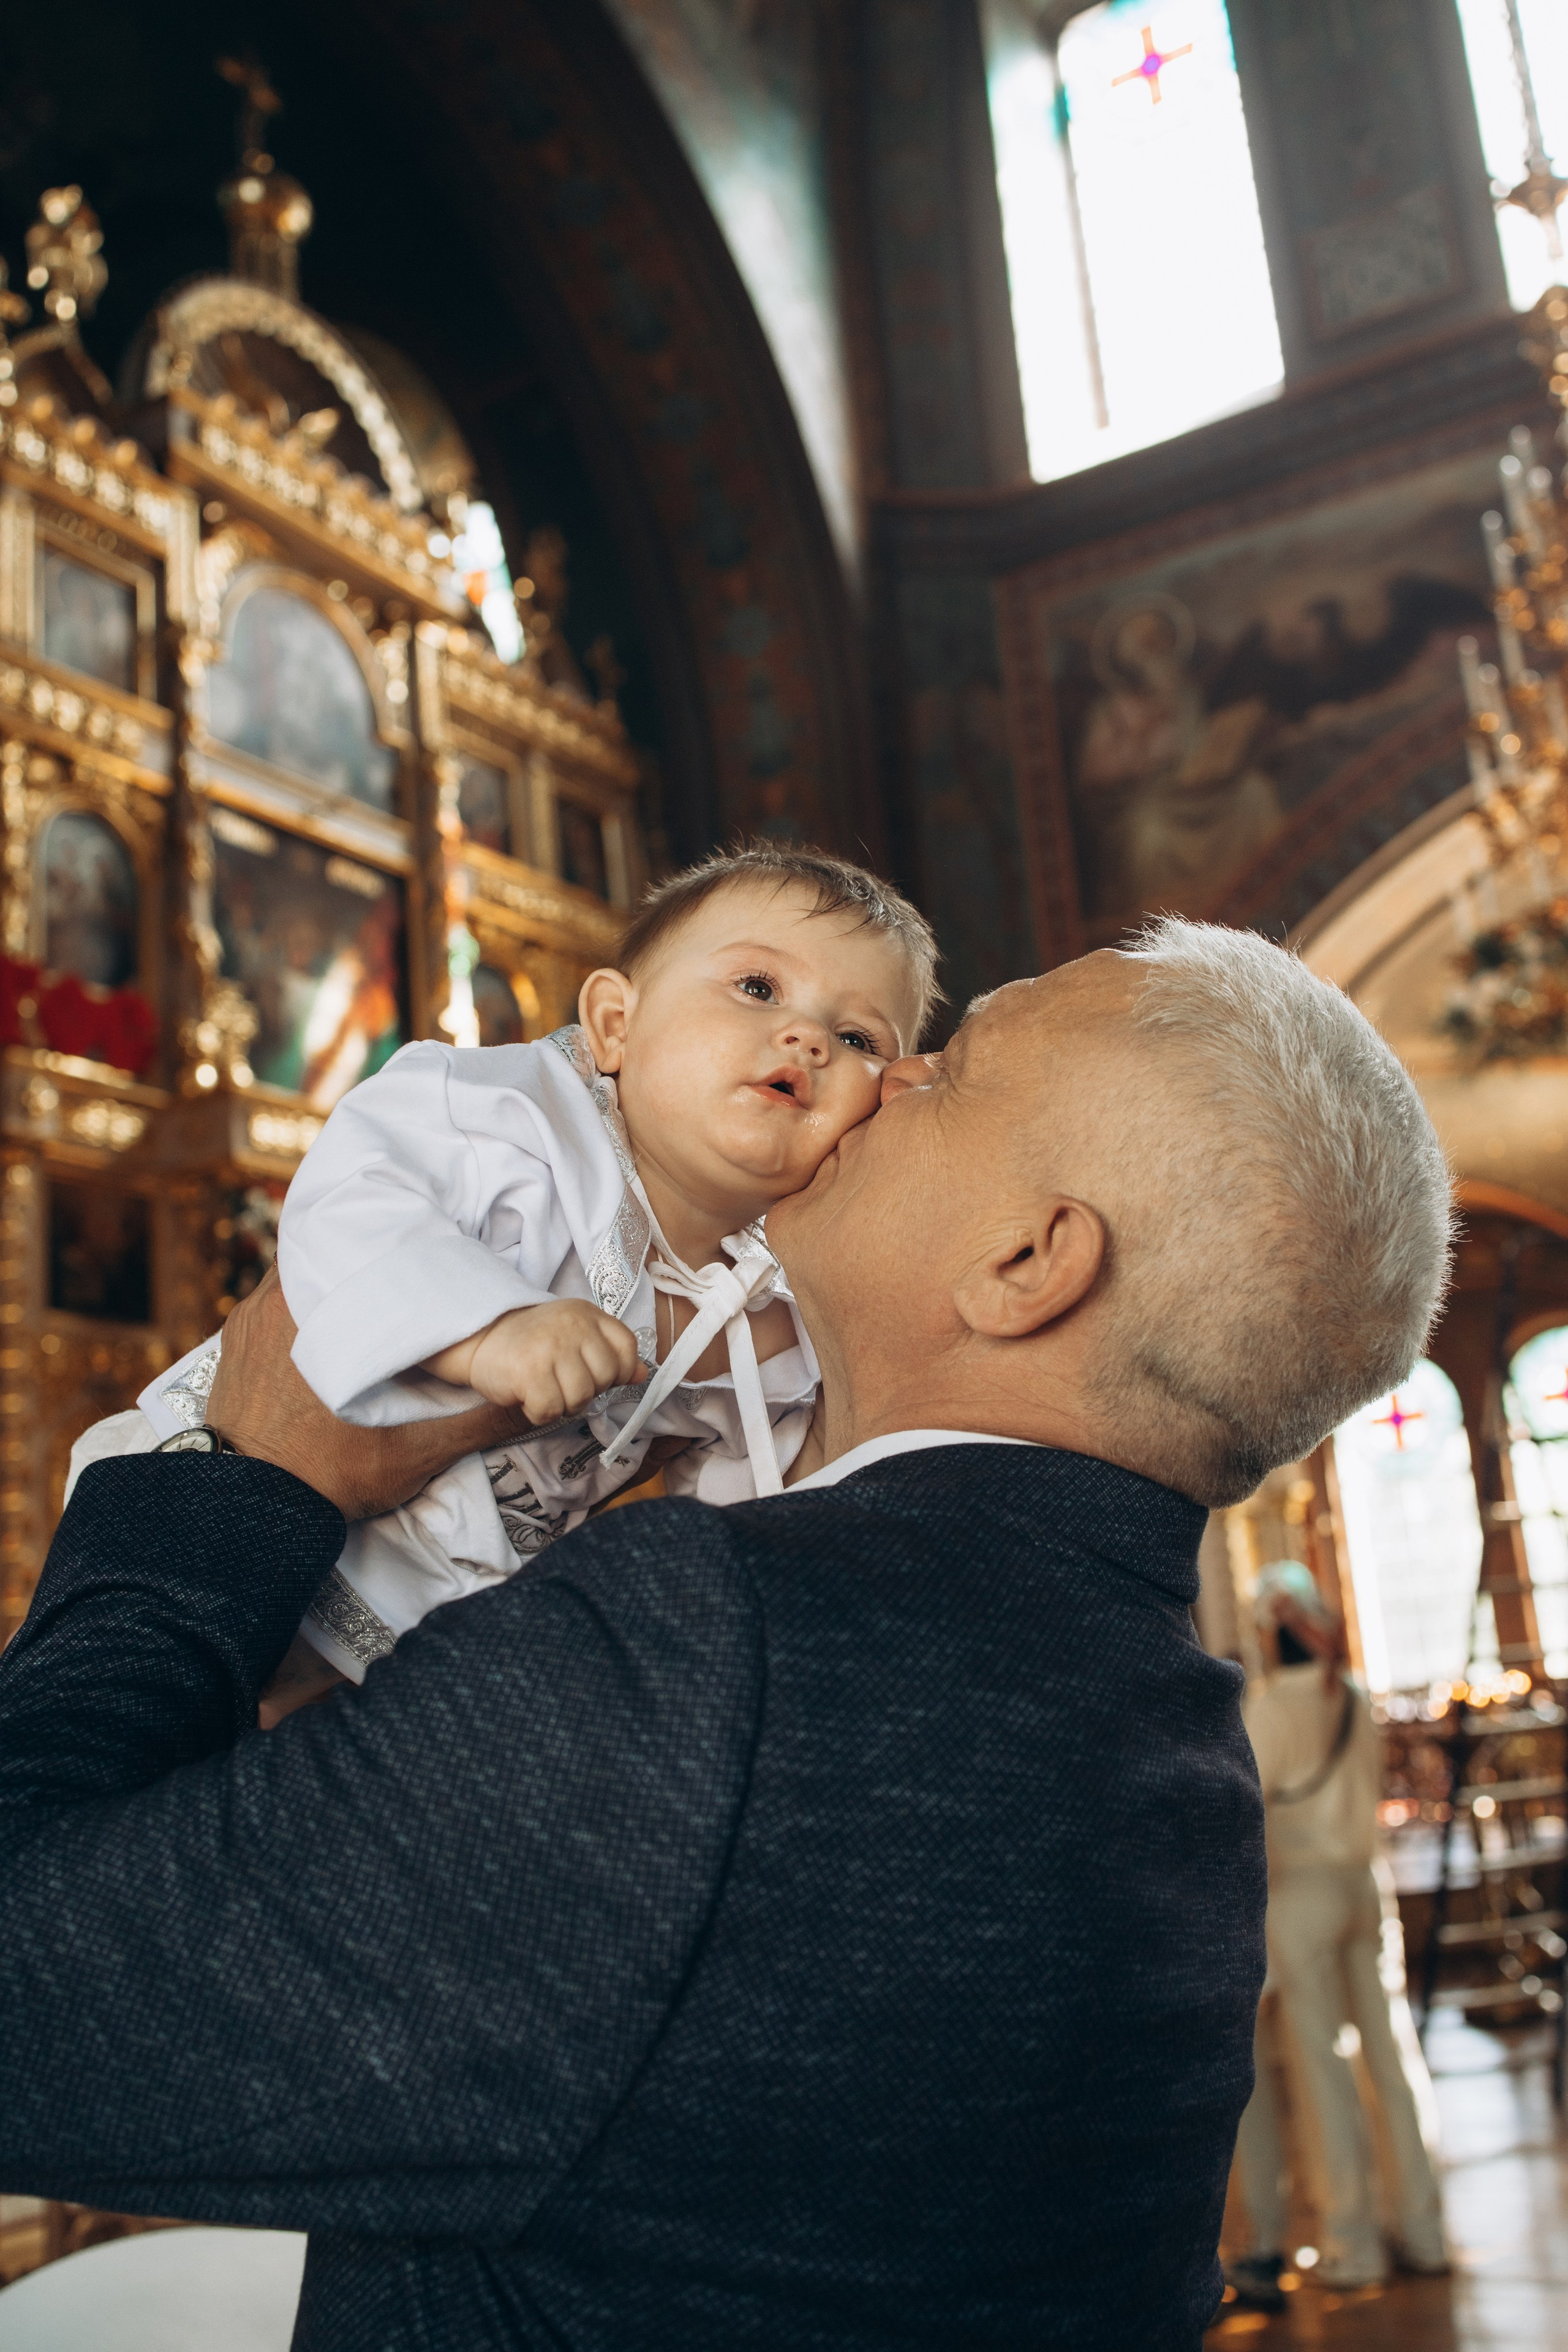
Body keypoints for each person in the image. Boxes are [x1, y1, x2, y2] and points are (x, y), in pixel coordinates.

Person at [0, 919, 1453, 2351]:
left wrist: (242, 1479)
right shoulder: (1174, 1743)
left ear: (1024, 1261)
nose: (871, 1075)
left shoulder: (707, 1660)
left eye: (941, 1068)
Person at [72, 846, 935, 1709]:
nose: (807, 1037)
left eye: (858, 1038)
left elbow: (745, 1514)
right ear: (615, 1026)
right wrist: (490, 1327)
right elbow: (353, 1199)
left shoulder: (772, 1309)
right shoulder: (510, 1119)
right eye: (757, 987)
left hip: (415, 1632)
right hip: (211, 1508)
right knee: (110, 1727)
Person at [1228, 1562, 1447, 2305]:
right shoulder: (1351, 1695)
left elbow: (1241, 1819)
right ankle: (1423, 2230)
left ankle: (1354, 2246)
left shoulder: (1268, 1710)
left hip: (1301, 1895)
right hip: (1365, 1885)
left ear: (1268, 1633)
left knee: (1322, 2067)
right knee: (1391, 2057)